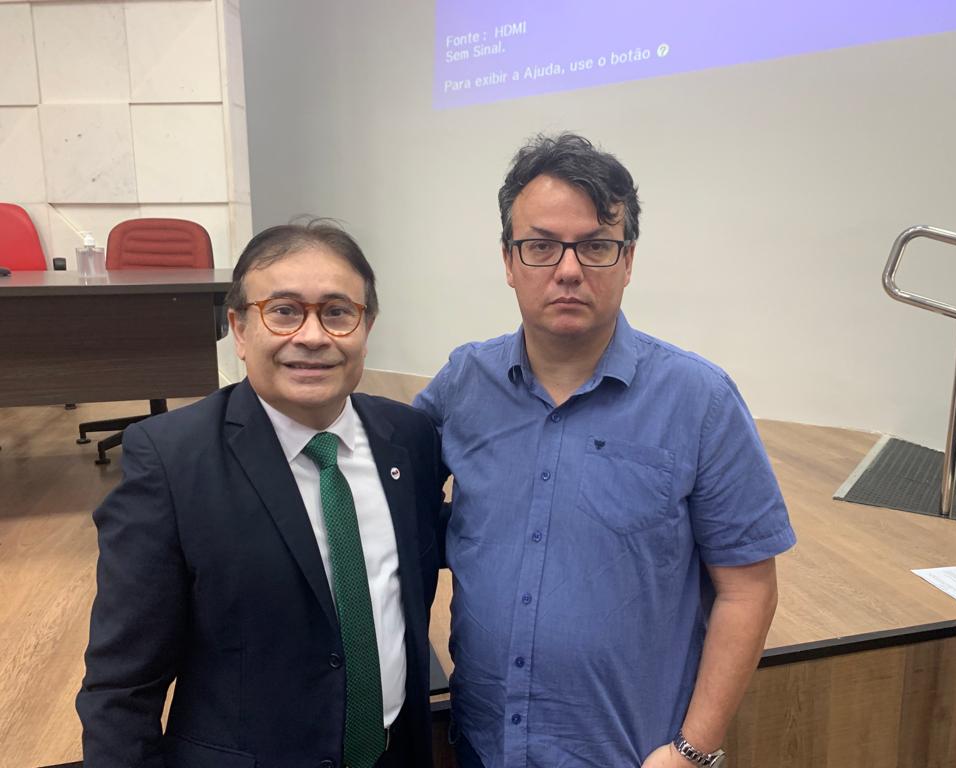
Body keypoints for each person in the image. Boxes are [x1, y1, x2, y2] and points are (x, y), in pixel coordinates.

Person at [414, 134, 796, 768]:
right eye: (540, 246)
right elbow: (386, 488)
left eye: (595, 246)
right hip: (484, 745)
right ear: (508, 261)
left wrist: (692, 750)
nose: (568, 270)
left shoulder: (699, 399)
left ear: (628, 259)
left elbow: (748, 590)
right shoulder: (463, 383)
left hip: (628, 755)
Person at [77, 221, 445, 768]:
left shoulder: (410, 440)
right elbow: (122, 687)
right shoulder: (171, 461)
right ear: (240, 329)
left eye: (338, 312)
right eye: (284, 311)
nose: (313, 336)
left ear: (366, 327)